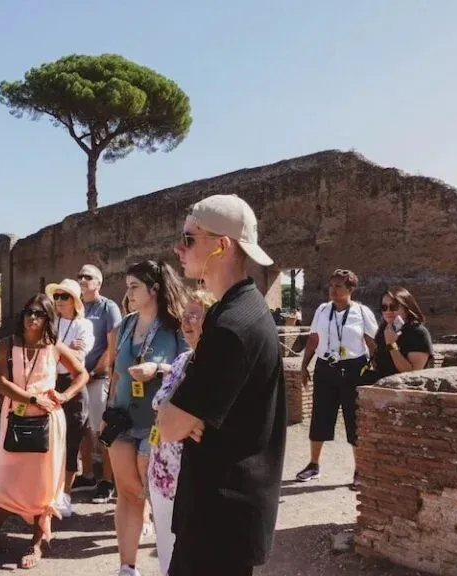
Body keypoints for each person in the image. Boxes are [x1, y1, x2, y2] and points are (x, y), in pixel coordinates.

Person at [159, 193, 287, 576]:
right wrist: (187, 415)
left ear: (221, 245)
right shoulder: (238, 310)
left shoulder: (232, 325)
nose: (178, 248)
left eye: (188, 238)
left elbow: (168, 425)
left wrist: (183, 415)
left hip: (219, 519)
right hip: (221, 513)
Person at [0, 294, 88, 569]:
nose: (32, 318)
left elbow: (82, 374)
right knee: (4, 479)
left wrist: (64, 396)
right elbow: (2, 383)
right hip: (15, 417)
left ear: (47, 319)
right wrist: (31, 399)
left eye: (39, 314)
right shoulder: (7, 344)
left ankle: (37, 542)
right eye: (29, 312)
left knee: (43, 483)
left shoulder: (54, 347)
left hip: (48, 422)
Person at [106, 260, 189, 576]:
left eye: (134, 286)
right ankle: (127, 568)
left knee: (157, 497)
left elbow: (188, 367)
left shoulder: (175, 325)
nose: (127, 293)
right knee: (127, 495)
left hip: (157, 425)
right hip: (122, 421)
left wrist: (159, 369)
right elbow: (115, 373)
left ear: (154, 288)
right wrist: (108, 410)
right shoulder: (126, 324)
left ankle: (171, 566)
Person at [148, 289, 216, 576]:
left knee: (191, 556)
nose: (186, 322)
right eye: (184, 316)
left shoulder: (216, 366)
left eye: (195, 316)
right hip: (162, 474)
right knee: (166, 550)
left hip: (190, 478)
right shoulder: (181, 360)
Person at [296, 269, 378, 488]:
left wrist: (376, 369)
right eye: (331, 285)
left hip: (353, 368)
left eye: (338, 286)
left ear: (350, 289)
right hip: (326, 367)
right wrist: (304, 366)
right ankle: (314, 465)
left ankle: (360, 470)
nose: (333, 290)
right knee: (320, 415)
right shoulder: (322, 310)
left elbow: (373, 342)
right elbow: (314, 339)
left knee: (354, 419)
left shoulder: (361, 312)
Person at [44, 278, 95, 517]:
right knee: (51, 440)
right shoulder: (52, 323)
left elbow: (78, 355)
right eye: (57, 296)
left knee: (71, 442)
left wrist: (61, 350)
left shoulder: (83, 325)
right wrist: (66, 349)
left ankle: (65, 495)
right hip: (52, 383)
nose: (59, 301)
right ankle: (50, 492)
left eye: (64, 297)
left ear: (74, 301)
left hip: (73, 384)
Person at [76, 264, 122, 503]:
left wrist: (94, 372)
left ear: (99, 283)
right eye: (80, 276)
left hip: (97, 377)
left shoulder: (109, 308)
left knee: (102, 430)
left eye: (88, 276)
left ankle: (107, 480)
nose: (83, 280)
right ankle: (87, 474)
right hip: (77, 378)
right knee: (82, 428)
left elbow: (112, 346)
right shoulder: (77, 307)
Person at [371, 286, 434, 378]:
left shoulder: (418, 333)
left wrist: (391, 345)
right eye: (384, 307)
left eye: (394, 307)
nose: (388, 311)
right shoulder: (384, 330)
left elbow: (412, 374)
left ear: (406, 308)